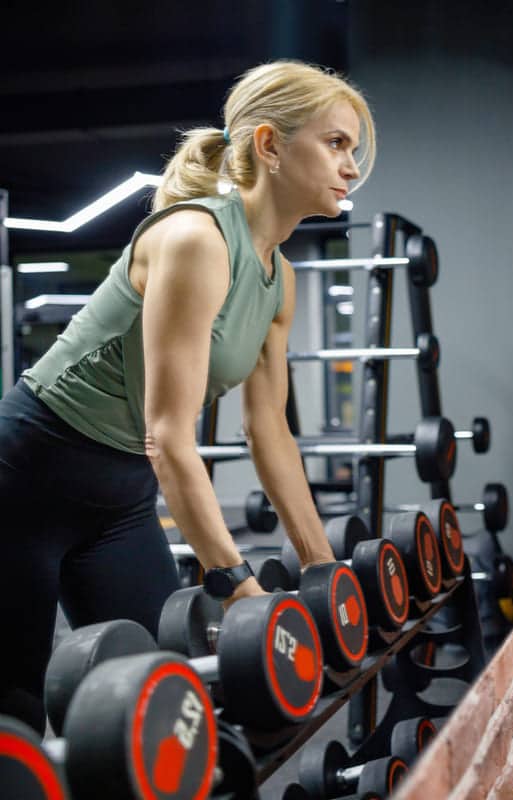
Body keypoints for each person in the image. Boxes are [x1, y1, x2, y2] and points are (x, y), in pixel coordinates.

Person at [0, 60, 376, 734]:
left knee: (158, 698)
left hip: (120, 500)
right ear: (270, 145)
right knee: (15, 714)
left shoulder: (279, 279)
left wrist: (324, 571)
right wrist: (234, 583)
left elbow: (269, 432)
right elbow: (169, 435)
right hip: (28, 477)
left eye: (353, 148)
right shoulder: (197, 239)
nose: (350, 166)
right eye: (335, 143)